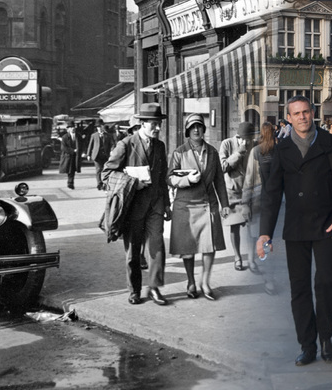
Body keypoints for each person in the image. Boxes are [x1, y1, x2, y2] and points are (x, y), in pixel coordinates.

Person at [257, 96, 332, 366]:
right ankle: (307, 344)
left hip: (326, 225)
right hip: (296, 227)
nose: (302, 117)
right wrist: (265, 232)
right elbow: (272, 193)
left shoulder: (331, 143)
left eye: (306, 112)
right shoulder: (282, 148)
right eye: (296, 114)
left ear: (313, 113)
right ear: (289, 118)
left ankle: (326, 337)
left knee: (325, 283)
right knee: (299, 288)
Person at [101, 103, 170, 305]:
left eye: (159, 124)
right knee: (133, 251)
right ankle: (135, 290)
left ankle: (155, 288)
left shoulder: (160, 146)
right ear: (142, 123)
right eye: (153, 124)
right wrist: (133, 183)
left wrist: (166, 204)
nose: (157, 128)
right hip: (132, 207)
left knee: (157, 245)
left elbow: (162, 177)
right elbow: (106, 174)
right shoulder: (125, 144)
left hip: (155, 205)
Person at [168, 114, 228, 301]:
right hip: (185, 205)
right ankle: (191, 282)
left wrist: (224, 204)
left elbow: (219, 181)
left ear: (204, 129)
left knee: (209, 246)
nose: (196, 130)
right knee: (187, 247)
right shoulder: (179, 152)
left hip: (207, 204)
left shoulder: (213, 152)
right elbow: (169, 178)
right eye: (193, 127)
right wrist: (186, 180)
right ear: (187, 130)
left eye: (199, 127)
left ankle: (205, 282)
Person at [243, 122, 279, 295]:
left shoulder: (256, 151)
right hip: (279, 202)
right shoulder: (280, 150)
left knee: (261, 238)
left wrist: (245, 203)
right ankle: (270, 277)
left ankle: (268, 277)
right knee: (272, 241)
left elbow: (249, 178)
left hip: (259, 200)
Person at [218, 122, 254, 271]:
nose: (247, 142)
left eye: (249, 139)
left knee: (253, 226)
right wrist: (238, 153)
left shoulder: (254, 145)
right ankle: (237, 257)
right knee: (235, 226)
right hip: (232, 191)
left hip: (250, 191)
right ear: (238, 137)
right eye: (244, 139)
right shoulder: (226, 144)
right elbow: (222, 167)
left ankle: (252, 259)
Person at [88, 120, 115, 191]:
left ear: (103, 126)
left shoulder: (108, 135)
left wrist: (112, 150)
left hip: (105, 155)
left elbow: (112, 144)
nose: (99, 128)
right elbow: (90, 145)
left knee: (105, 169)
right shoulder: (94, 135)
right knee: (98, 169)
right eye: (97, 127)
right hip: (96, 155)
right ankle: (99, 183)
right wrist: (88, 154)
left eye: (100, 126)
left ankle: (104, 183)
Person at [58, 124, 79, 189]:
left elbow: (82, 144)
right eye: (71, 127)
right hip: (67, 156)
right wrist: (73, 150)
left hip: (76, 156)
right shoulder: (65, 137)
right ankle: (70, 183)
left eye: (73, 127)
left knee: (73, 170)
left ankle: (70, 183)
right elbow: (63, 147)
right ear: (68, 129)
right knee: (70, 170)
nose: (73, 128)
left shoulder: (78, 136)